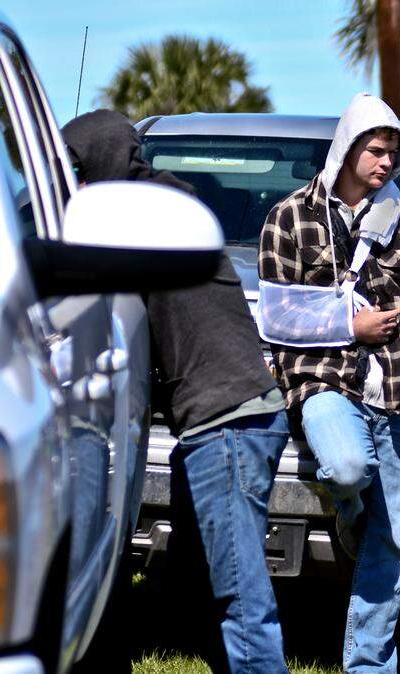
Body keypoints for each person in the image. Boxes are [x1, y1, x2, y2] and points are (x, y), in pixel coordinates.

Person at [62, 110, 290, 674]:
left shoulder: (142, 216)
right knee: (202, 587)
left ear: (102, 159)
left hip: (228, 423)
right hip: (218, 424)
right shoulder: (163, 205)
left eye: (76, 169)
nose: (74, 186)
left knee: (240, 597)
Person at [259, 93, 400, 672]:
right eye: (375, 149)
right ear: (346, 148)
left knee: (392, 541)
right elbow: (277, 317)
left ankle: (369, 664)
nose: (385, 162)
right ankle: (352, 518)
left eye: (393, 152)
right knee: (347, 470)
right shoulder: (290, 217)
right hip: (323, 383)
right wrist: (351, 324)